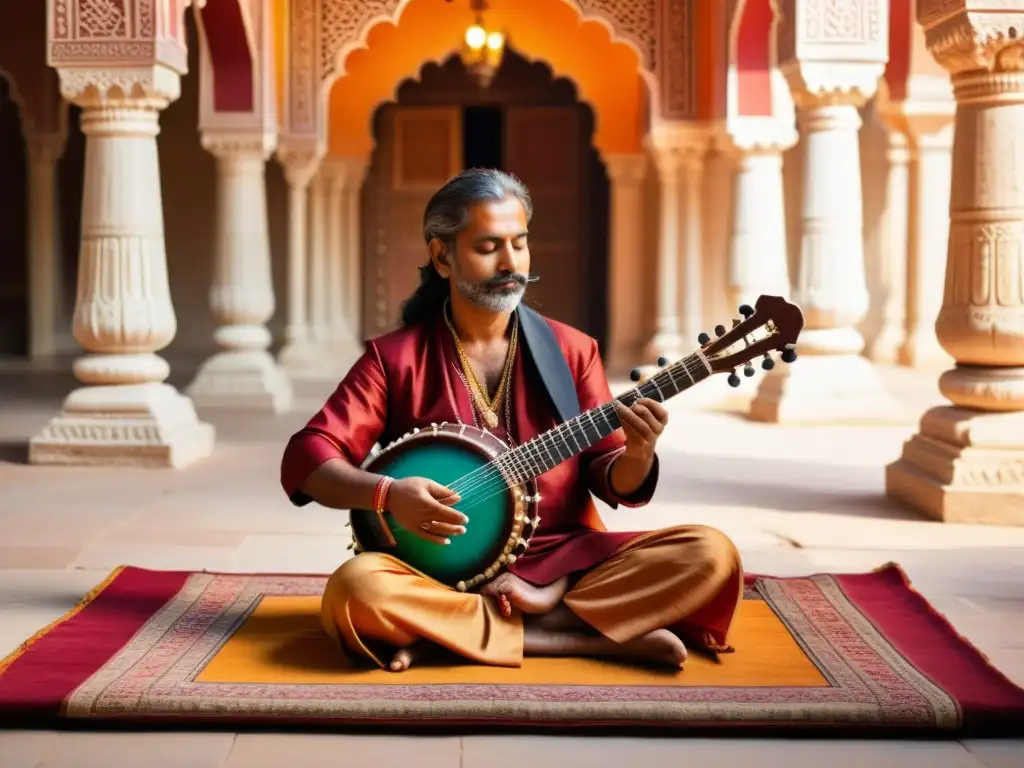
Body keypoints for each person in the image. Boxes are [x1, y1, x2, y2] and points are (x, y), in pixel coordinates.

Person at [280, 168, 743, 673]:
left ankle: (458, 632)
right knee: (356, 590)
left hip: (564, 563)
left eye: (520, 244)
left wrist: (637, 452)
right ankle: (581, 639)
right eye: (489, 247)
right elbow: (308, 457)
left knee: (711, 555)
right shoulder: (396, 359)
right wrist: (386, 495)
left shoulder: (571, 350)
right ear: (442, 256)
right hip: (438, 573)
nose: (511, 263)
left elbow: (611, 476)